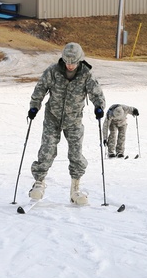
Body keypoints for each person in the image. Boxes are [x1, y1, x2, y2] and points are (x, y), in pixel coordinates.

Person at [27, 42, 106, 205]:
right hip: (52, 117)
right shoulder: (53, 71)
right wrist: (34, 107)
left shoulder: (86, 74)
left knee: (76, 154)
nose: (70, 66)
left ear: (80, 61)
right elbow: (40, 89)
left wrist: (99, 107)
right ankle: (39, 183)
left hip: (74, 119)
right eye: (68, 62)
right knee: (47, 149)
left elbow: (96, 93)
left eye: (74, 62)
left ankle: (75, 189)